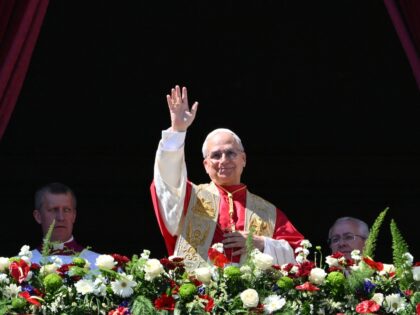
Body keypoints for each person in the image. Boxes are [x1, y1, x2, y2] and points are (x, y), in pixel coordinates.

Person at [150, 85, 304, 268]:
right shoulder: (190, 197)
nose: (223, 160)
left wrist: (263, 243)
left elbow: (301, 254)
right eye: (215, 155)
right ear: (206, 165)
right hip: (199, 294)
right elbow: (167, 184)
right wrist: (177, 131)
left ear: (243, 159)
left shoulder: (267, 212)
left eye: (231, 153)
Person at [30, 182, 100, 267]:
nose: (61, 218)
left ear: (74, 216)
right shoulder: (20, 267)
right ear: (38, 216)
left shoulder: (99, 265)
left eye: (66, 210)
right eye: (53, 210)